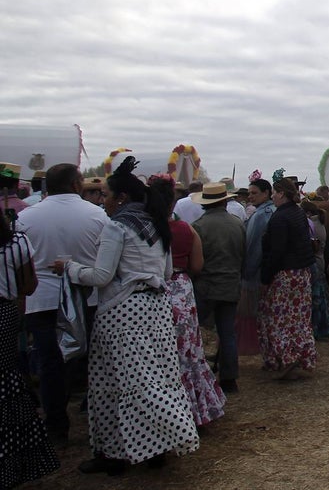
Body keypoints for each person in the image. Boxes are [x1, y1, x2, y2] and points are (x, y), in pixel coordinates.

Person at [53, 156, 199, 474]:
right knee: (156, 377)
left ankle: (120, 450)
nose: (102, 200)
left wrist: (70, 268)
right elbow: (167, 272)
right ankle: (155, 447)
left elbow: (101, 276)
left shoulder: (117, 227)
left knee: (114, 381)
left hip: (123, 312)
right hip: (156, 309)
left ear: (120, 198)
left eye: (105, 195)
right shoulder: (157, 225)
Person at [15, 163, 110, 443]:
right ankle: (97, 419)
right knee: (92, 360)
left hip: (42, 299)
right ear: (76, 184)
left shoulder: (26, 217)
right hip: (87, 296)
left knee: (49, 362)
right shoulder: (97, 215)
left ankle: (56, 423)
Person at [153, 176, 226, 426]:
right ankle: (196, 408)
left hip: (153, 290)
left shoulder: (144, 231)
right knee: (188, 350)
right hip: (181, 288)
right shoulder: (187, 229)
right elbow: (197, 265)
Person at [0, 216, 60, 487]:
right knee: (6, 376)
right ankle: (13, 450)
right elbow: (28, 285)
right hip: (5, 312)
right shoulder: (16, 242)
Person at [259, 178, 317, 380]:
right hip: (302, 273)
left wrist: (265, 277)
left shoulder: (280, 218)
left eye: (274, 192)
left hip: (285, 274)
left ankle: (287, 358)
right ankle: (301, 356)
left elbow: (277, 251)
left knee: (280, 319)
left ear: (281, 193)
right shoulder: (298, 212)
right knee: (299, 320)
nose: (273, 196)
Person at [191, 182, 245, 394]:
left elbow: (196, 261)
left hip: (206, 286)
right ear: (224, 201)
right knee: (227, 333)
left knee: (194, 331)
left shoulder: (198, 226)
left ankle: (196, 375)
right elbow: (243, 255)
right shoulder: (238, 224)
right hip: (230, 284)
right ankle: (229, 378)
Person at [237, 178, 274, 355]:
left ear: (266, 193)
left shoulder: (260, 216)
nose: (250, 196)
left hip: (257, 273)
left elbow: (253, 247)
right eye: (249, 193)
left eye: (254, 193)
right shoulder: (272, 210)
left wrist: (247, 272)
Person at [301, 200, 329, 339]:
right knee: (321, 296)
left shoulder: (311, 224)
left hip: (315, 262)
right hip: (319, 260)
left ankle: (320, 326)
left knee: (318, 299)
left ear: (308, 213)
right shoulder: (319, 223)